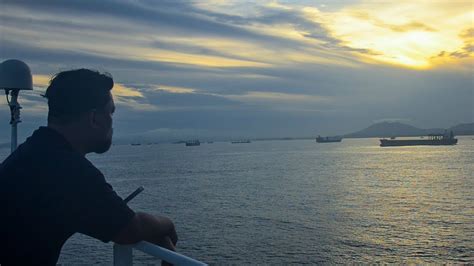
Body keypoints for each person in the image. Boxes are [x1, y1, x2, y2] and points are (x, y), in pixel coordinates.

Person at [0, 69, 177, 265]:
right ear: (94, 118)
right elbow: (131, 229)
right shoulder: (66, 169)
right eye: (110, 112)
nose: (112, 123)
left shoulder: (36, 152)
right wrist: (167, 225)